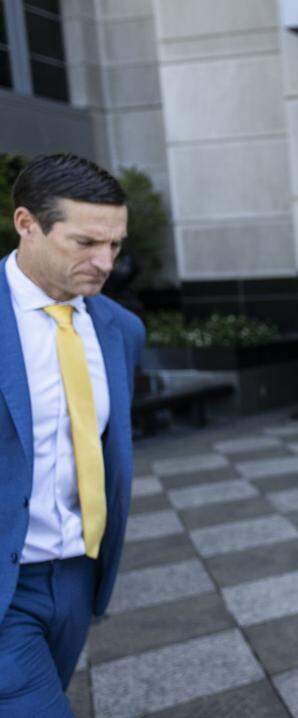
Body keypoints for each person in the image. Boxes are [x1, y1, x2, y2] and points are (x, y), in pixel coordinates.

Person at [0, 154, 145, 717]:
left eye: (115, 245)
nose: (104, 262)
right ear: (26, 223)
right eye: (85, 242)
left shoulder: (120, 329)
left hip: (77, 576)